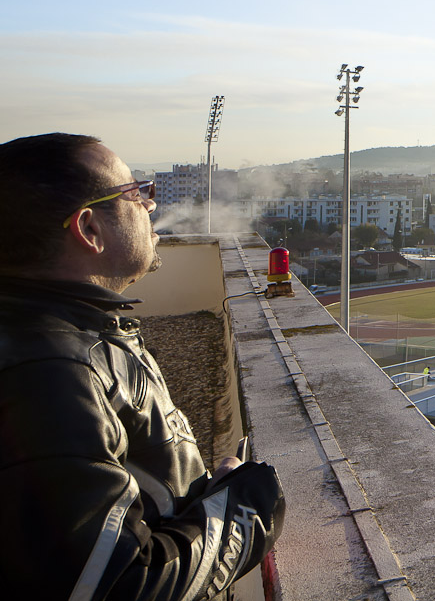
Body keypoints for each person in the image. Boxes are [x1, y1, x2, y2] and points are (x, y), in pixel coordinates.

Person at [0, 133, 285, 600]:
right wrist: (244, 506)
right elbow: (117, 585)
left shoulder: (58, 334)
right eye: (135, 193)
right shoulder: (51, 370)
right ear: (89, 230)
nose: (151, 206)